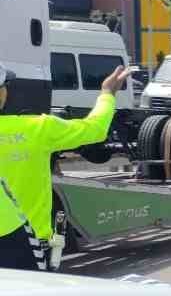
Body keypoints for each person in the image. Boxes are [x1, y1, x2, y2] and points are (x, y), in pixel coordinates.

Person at [0, 59, 127, 272]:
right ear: (2, 94)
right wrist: (107, 93)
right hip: (29, 244)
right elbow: (95, 128)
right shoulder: (38, 128)